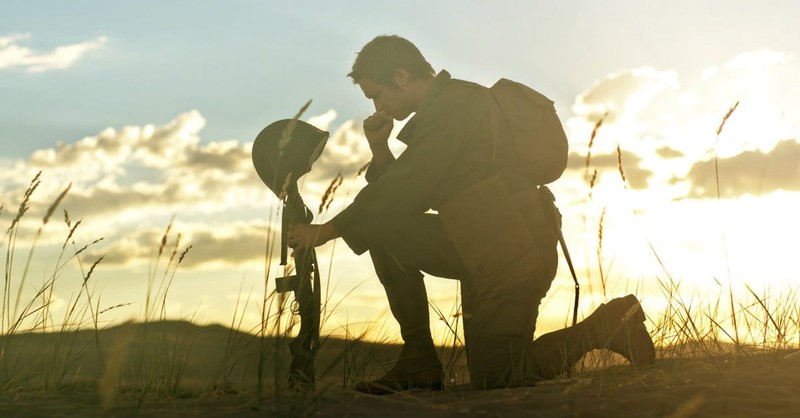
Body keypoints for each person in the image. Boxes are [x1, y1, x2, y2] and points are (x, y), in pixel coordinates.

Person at [287, 35, 655, 394]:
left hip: (516, 255)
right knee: (382, 227)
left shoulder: (458, 107)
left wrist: (325, 231)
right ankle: (418, 360)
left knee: (500, 378)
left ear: (401, 76)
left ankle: (610, 323)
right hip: (483, 249)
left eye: (377, 95)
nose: (378, 108)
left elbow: (406, 188)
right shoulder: (444, 110)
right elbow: (407, 196)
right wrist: (380, 147)